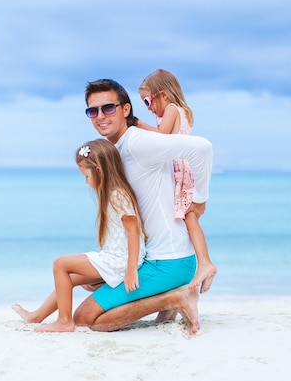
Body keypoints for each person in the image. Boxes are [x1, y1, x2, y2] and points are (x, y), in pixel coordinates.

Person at [73, 79, 213, 335]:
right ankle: (168, 297)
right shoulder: (117, 149)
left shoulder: (138, 143)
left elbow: (202, 148)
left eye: (108, 108)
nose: (100, 116)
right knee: (90, 282)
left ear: (126, 110)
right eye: (93, 111)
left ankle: (174, 298)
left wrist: (199, 200)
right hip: (153, 258)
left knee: (85, 318)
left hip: (168, 261)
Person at [12, 139, 147, 332]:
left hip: (121, 261)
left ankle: (65, 321)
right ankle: (37, 316)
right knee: (71, 277)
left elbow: (133, 231)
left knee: (60, 263)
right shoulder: (112, 193)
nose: (85, 181)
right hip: (116, 258)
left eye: (86, 175)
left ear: (99, 170)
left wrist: (131, 269)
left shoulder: (118, 195)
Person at [136, 69, 217, 294]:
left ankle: (205, 262)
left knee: (189, 217)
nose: (149, 107)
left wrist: (139, 125)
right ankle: (198, 266)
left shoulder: (172, 109)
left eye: (147, 101)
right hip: (183, 171)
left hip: (181, 171)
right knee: (186, 220)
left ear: (163, 94)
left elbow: (161, 136)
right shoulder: (183, 111)